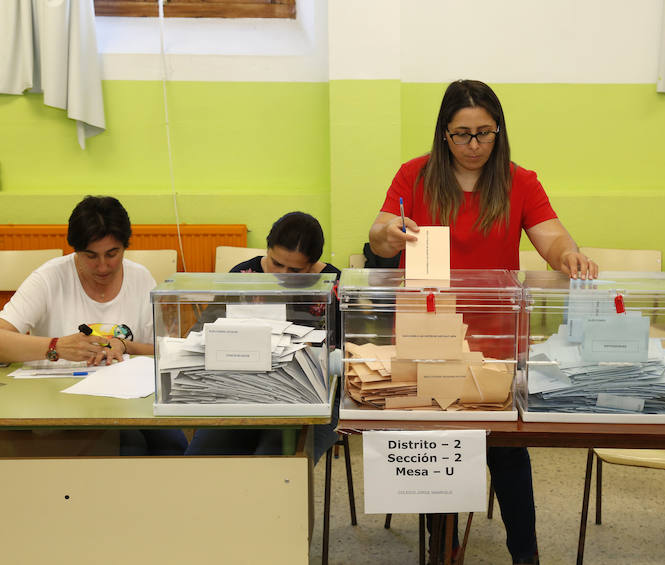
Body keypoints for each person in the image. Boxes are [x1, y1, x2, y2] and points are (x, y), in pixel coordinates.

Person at [369, 80, 598, 565]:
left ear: (499, 131)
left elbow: (551, 236)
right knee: (439, 446)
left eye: (484, 133)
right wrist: (388, 233)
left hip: (495, 335)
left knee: (507, 452)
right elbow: (380, 233)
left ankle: (526, 555)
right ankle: (444, 549)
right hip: (428, 333)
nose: (474, 146)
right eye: (462, 134)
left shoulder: (520, 181)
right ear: (443, 133)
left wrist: (569, 256)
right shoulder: (415, 174)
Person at [0, 195, 187, 456]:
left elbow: (166, 351)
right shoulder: (50, 278)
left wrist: (124, 344)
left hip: (130, 399)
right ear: (75, 250)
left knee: (174, 446)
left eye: (113, 254)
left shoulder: (140, 277)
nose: (103, 266)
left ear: (125, 246)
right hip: (63, 400)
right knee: (128, 446)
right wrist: (56, 346)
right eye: (91, 256)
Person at [186, 211, 341, 462]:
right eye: (276, 263)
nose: (280, 274)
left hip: (312, 397)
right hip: (242, 390)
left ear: (312, 264)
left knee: (275, 462)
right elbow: (200, 333)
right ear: (267, 249)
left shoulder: (332, 284)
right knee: (201, 459)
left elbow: (347, 351)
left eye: (294, 270)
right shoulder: (243, 275)